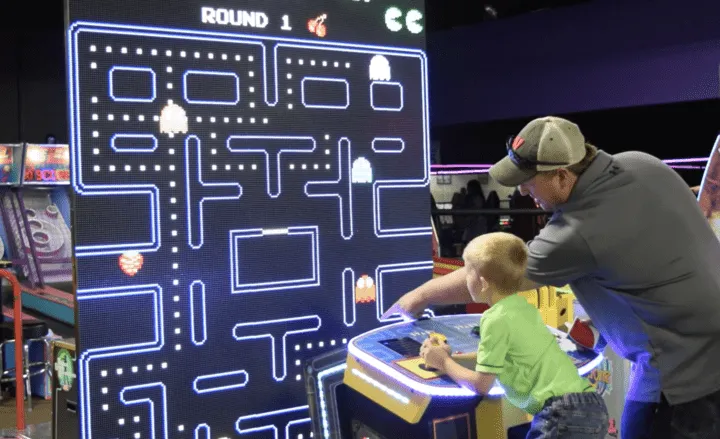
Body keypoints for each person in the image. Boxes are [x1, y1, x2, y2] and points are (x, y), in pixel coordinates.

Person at [384, 116, 720, 439]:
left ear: (561, 175)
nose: (523, 192)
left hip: (681, 376)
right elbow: (643, 257)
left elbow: (498, 274)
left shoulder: (576, 231)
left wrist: (419, 296)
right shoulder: (642, 164)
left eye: (528, 181)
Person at [420, 232, 608, 438]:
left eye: (468, 272)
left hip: (560, 413)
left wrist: (446, 363)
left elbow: (481, 385)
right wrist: (447, 358)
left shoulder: (494, 318)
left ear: (482, 283)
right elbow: (493, 364)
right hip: (590, 405)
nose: (465, 279)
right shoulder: (523, 308)